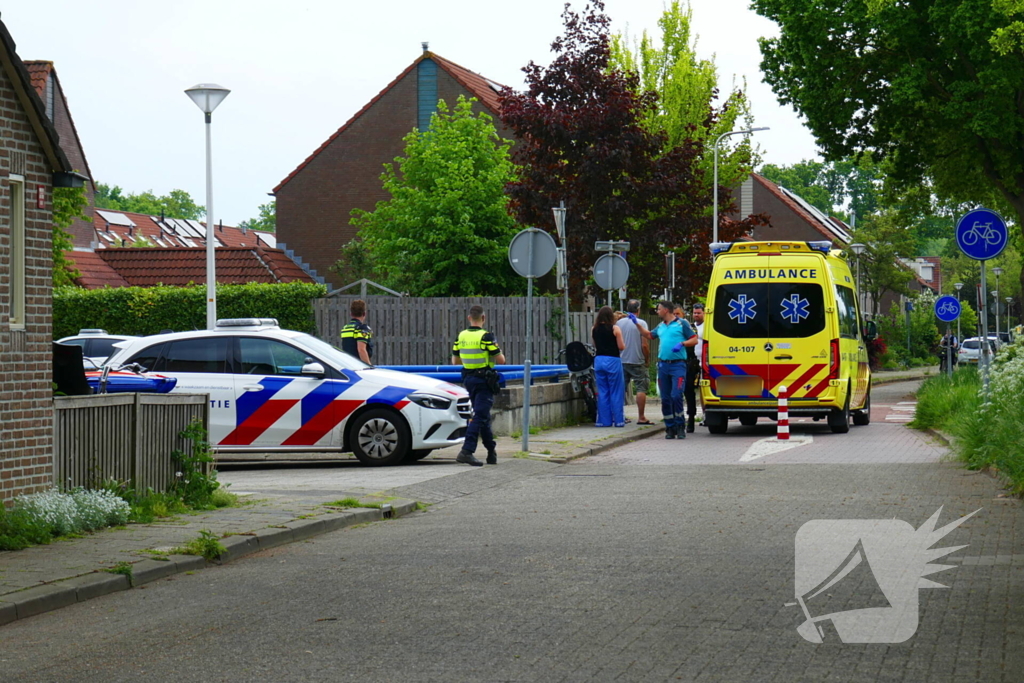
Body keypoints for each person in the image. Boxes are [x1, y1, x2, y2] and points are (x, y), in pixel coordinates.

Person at [632, 301, 697, 439]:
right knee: (665, 398)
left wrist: (682, 343)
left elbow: (694, 339)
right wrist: (636, 324)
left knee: (676, 395)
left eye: (659, 309)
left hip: (678, 365)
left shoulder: (681, 324)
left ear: (666, 310)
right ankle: (669, 427)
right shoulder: (661, 326)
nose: (657, 311)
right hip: (663, 365)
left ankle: (680, 425)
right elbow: (649, 335)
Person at [451, 305, 506, 466]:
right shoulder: (486, 336)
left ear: (469, 318)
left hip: (468, 379)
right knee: (480, 416)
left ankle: (491, 452)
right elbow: (501, 360)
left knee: (483, 416)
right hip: (484, 380)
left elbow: (455, 361)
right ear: (483, 318)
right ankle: (466, 451)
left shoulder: (461, 336)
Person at [616, 299, 651, 425]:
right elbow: (645, 345)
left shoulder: (619, 323)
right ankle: (641, 417)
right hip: (637, 360)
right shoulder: (641, 323)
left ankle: (619, 415)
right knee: (641, 388)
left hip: (622, 360)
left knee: (620, 389)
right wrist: (647, 359)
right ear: (638, 309)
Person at [592, 306, 626, 427]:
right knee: (616, 391)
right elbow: (621, 347)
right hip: (613, 360)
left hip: (599, 360)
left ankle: (603, 421)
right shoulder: (615, 328)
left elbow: (596, 345)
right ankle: (618, 420)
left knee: (603, 391)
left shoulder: (594, 329)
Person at [683, 303, 705, 433]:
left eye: (699, 313)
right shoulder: (690, 328)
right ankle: (690, 418)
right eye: (694, 313)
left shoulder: (707, 327)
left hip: (704, 363)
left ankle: (705, 414)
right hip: (691, 363)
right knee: (689, 391)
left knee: (703, 390)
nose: (696, 315)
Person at [340, 299, 374, 364]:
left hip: (347, 364)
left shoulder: (345, 328)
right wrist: (369, 366)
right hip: (358, 365)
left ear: (351, 314)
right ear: (364, 314)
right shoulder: (362, 328)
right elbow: (361, 350)